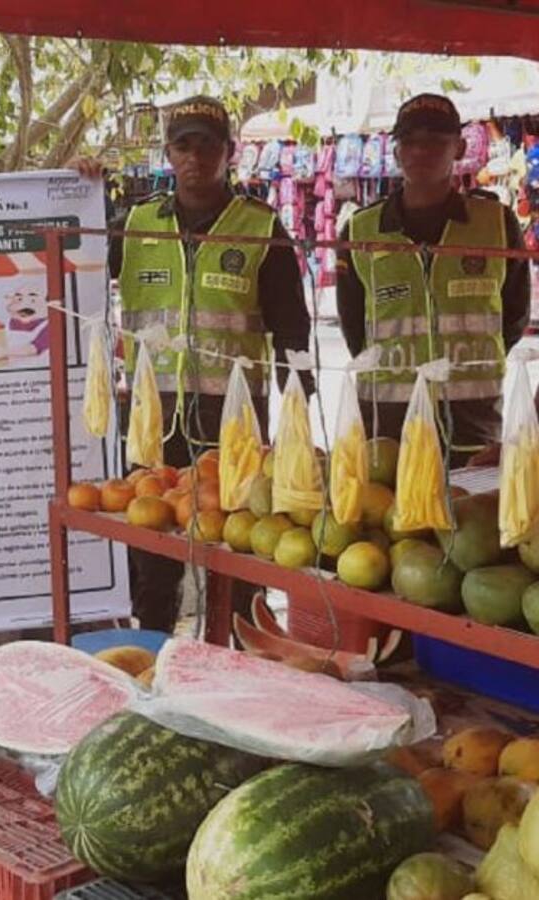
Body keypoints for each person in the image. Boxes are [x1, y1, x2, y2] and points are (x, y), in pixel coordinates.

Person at [78, 95, 314, 632]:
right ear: (168, 152)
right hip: (152, 417)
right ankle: (157, 653)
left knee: (236, 556)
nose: (195, 157)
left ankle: (236, 657)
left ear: (229, 153)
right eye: (184, 146)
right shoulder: (133, 223)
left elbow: (292, 327)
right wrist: (79, 190)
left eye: (208, 146)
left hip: (233, 420)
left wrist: (301, 408)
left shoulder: (259, 227)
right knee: (152, 553)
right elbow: (72, 263)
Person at [337, 93, 530, 466]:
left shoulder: (496, 223)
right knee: (390, 518)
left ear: (458, 148)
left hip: (471, 416)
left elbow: (515, 315)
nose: (421, 151)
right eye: (410, 141)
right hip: (389, 417)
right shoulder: (361, 229)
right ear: (395, 152)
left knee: (473, 512)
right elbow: (353, 327)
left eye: (436, 141)